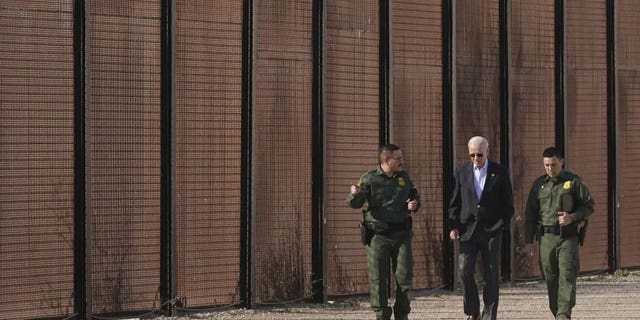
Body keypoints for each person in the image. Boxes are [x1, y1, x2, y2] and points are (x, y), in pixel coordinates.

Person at [347, 144, 420, 320]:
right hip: (378, 236)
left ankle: (402, 314)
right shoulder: (370, 179)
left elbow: (414, 194)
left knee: (404, 277)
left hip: (401, 234)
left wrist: (415, 203)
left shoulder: (403, 177)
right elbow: (355, 204)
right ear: (387, 161)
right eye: (399, 158)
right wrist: (355, 195)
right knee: (378, 279)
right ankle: (382, 315)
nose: (402, 161)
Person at [523, 147, 594, 320]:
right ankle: (558, 312)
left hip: (567, 237)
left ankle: (564, 315)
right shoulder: (539, 185)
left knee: (567, 275)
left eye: (553, 164)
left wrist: (573, 217)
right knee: (551, 278)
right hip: (546, 239)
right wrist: (529, 240)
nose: (549, 168)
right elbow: (530, 214)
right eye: (546, 165)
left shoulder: (574, 182)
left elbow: (589, 206)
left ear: (561, 162)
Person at [448, 136, 514, 320]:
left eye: (479, 154)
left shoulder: (499, 172)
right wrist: (453, 225)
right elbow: (455, 201)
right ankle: (472, 310)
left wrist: (501, 224)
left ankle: (489, 314)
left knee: (491, 274)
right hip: (467, 229)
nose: (475, 158)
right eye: (472, 155)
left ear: (487, 151)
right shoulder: (461, 172)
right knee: (464, 269)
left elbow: (508, 203)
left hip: (492, 230)